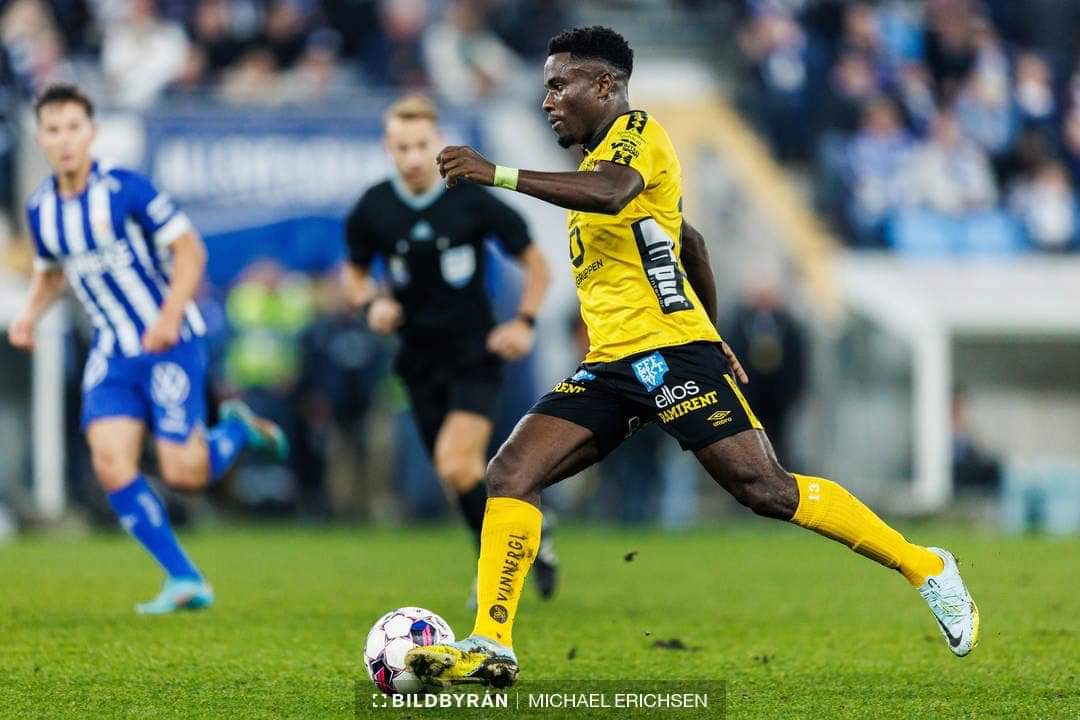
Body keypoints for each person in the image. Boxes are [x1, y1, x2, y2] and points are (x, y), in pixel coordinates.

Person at [405, 26, 980, 688]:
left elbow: (611, 194)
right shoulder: (595, 164)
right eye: (545, 88)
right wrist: (715, 328)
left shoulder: (636, 135)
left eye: (559, 86)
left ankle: (925, 566)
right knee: (510, 473)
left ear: (605, 85)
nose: (548, 101)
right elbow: (693, 244)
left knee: (765, 489)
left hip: (671, 356)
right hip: (613, 366)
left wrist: (496, 173)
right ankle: (493, 644)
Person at [8, 84, 288, 614]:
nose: (64, 140)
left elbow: (190, 250)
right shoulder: (42, 208)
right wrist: (27, 318)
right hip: (113, 351)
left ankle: (235, 429)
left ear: (91, 133)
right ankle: (184, 578)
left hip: (170, 341)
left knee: (185, 473)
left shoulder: (125, 188)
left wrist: (167, 316)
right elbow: (51, 274)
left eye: (73, 128)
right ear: (41, 138)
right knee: (111, 462)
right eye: (53, 130)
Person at [341, 94, 557, 604]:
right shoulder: (374, 207)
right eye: (402, 148)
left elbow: (537, 264)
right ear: (388, 148)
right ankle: (531, 533)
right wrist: (371, 302)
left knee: (457, 463)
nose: (413, 157)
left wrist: (524, 322)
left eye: (421, 145)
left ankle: (492, 568)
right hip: (417, 359)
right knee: (457, 473)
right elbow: (354, 272)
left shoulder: (471, 199)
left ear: (436, 143)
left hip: (472, 352)